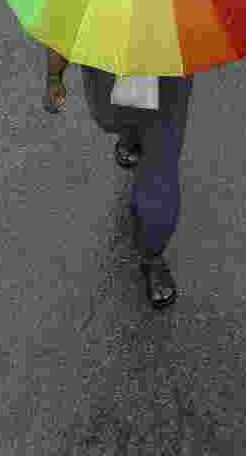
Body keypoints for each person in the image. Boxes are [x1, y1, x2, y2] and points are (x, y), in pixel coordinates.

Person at [43, 45, 194, 309]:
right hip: (160, 79)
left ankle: (152, 253)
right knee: (146, 147)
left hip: (132, 82)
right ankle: (152, 257)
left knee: (158, 185)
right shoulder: (185, 4)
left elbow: (61, 29)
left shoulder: (90, 1)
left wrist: (54, 78)